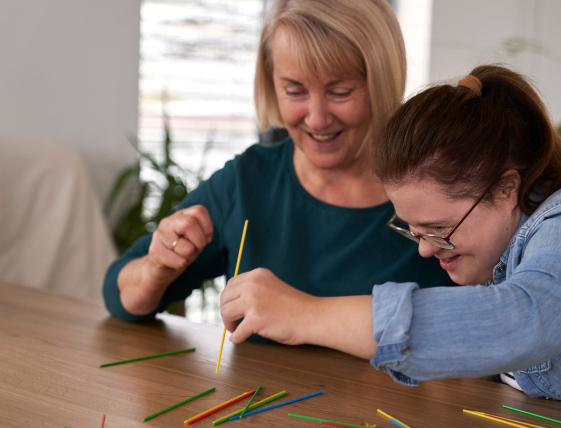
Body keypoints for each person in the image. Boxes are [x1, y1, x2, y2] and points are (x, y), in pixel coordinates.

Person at [218, 65, 561, 428]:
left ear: (505, 186)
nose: (426, 251)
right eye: (413, 230)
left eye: (438, 228)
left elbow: (518, 323)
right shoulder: (503, 242)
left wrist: (305, 315)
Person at [103, 0, 451, 328]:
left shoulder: (439, 190)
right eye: (294, 91)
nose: (316, 119)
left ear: (382, 80)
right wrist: (156, 268)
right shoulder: (247, 181)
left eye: (340, 92)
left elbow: (481, 328)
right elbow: (120, 296)